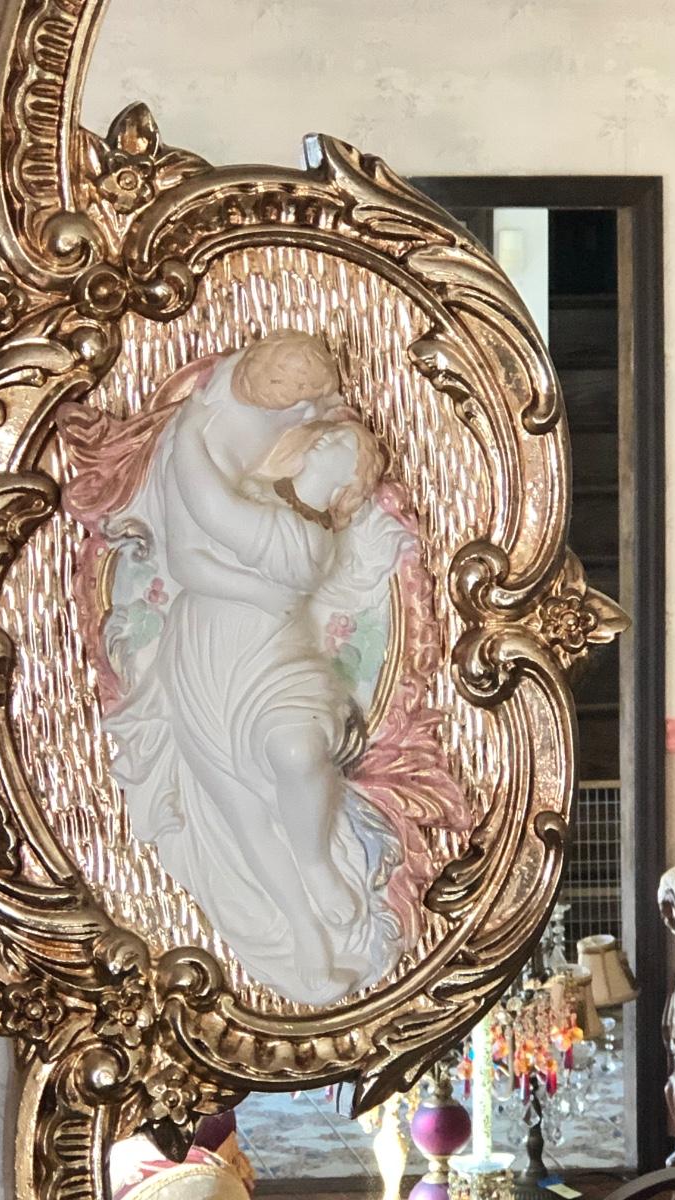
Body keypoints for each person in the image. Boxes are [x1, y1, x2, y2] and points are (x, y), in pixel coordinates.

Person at [104, 335, 410, 1003]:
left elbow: (211, 515)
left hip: (272, 663)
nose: (323, 442)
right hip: (202, 659)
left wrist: (190, 434)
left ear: (345, 487)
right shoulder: (261, 493)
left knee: (298, 752)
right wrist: (248, 589)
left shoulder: (308, 537)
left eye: (340, 450)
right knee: (241, 812)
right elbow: (187, 563)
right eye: (325, 437)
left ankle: (315, 861)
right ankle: (306, 939)